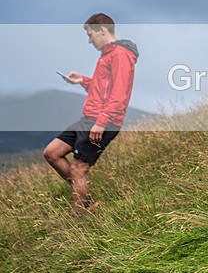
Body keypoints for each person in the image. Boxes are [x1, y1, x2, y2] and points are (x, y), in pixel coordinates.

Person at [43, 13, 139, 213]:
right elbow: (103, 89)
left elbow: (119, 93)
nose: (89, 41)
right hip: (90, 118)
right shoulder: (107, 54)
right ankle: (83, 195)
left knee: (78, 168)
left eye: (90, 35)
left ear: (102, 30)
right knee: (52, 152)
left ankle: (80, 213)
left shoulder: (120, 55)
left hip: (103, 120)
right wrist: (84, 81)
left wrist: (102, 122)